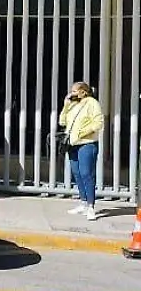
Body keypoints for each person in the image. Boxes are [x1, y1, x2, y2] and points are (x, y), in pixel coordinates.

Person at [59, 81, 105, 221]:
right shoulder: (73, 104)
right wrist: (66, 106)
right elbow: (62, 122)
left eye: (74, 91)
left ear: (83, 92)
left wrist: (81, 133)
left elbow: (98, 123)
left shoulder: (92, 103)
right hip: (73, 144)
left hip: (87, 143)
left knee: (87, 174)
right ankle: (83, 202)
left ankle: (91, 206)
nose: (71, 93)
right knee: (77, 173)